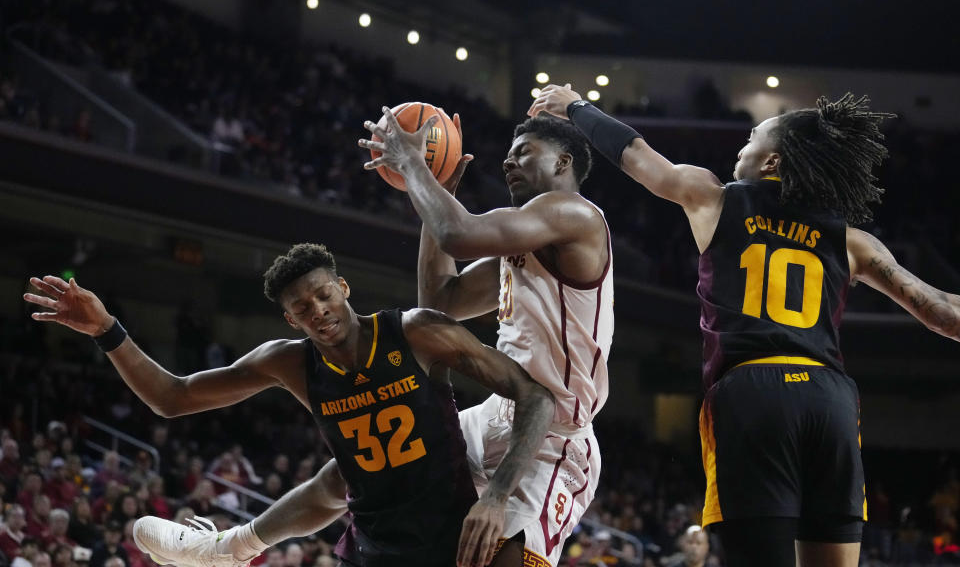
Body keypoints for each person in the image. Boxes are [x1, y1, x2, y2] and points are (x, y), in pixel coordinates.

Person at [529, 86, 960, 567]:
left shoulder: (713, 198)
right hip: (829, 397)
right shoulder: (852, 240)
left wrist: (575, 106)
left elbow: (636, 157)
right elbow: (940, 310)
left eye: (752, 138)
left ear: (772, 162)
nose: (741, 145)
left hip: (753, 392)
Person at [25, 242, 555, 567]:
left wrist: (497, 496)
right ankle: (229, 549)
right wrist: (106, 330)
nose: (318, 310)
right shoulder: (290, 363)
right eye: (302, 307)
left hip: (455, 533)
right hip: (376, 549)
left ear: (343, 287)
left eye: (324, 294)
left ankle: (229, 548)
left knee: (333, 477)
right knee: (337, 476)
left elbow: (535, 399)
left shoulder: (415, 333)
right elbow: (171, 397)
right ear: (291, 320)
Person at [359, 106, 613, 566]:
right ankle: (230, 547)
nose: (508, 161)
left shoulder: (575, 214)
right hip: (498, 411)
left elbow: (457, 232)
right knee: (368, 460)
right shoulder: (521, 245)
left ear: (563, 162)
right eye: (507, 154)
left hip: (553, 435)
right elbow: (440, 302)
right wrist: (441, 189)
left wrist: (414, 163)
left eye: (524, 151)